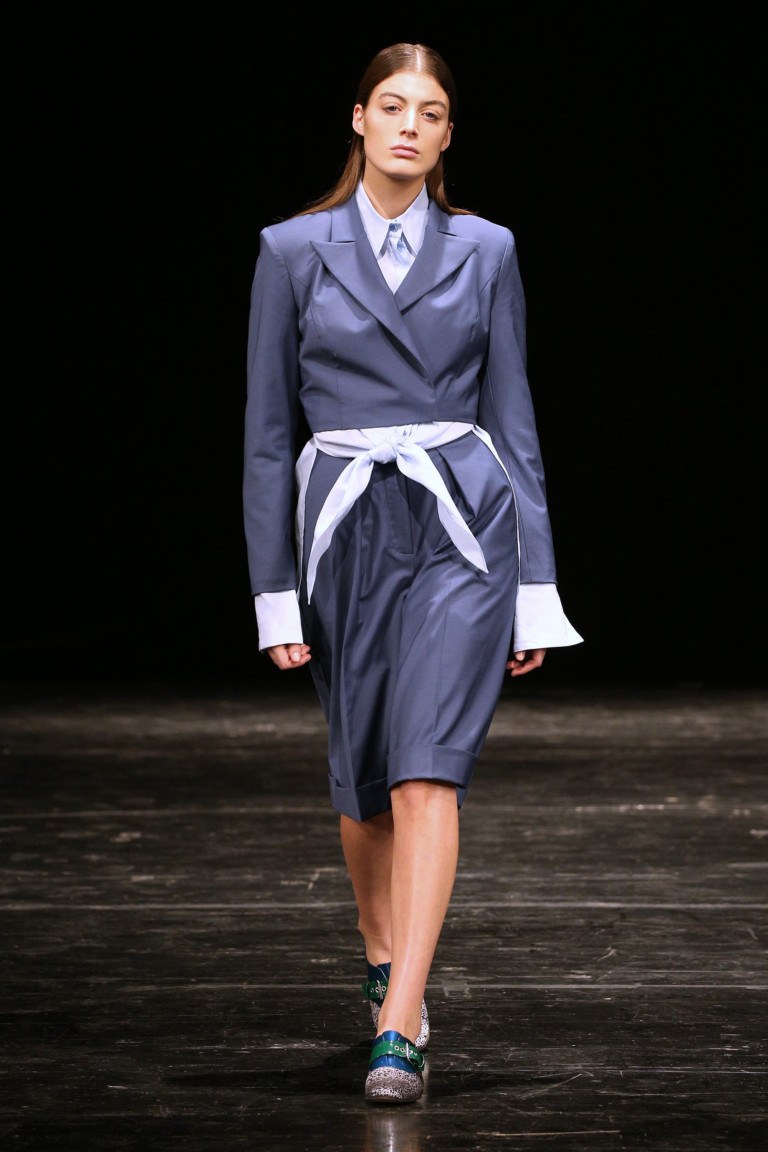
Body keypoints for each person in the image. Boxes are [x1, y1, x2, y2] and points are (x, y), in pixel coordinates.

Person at [242, 41, 583, 1105]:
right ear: (359, 118)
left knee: (425, 770)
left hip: (461, 525)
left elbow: (514, 419)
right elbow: (266, 435)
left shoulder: (487, 249)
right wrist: (272, 593)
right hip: (346, 527)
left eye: (429, 113)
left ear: (446, 136)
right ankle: (379, 944)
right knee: (364, 781)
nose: (408, 126)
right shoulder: (291, 250)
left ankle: (400, 1024)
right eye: (392, 106)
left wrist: (536, 591)